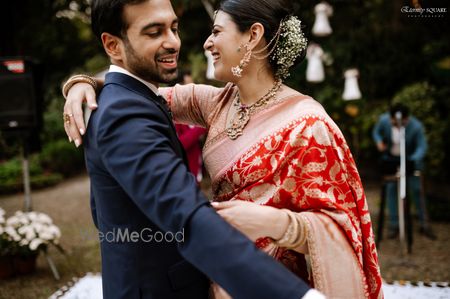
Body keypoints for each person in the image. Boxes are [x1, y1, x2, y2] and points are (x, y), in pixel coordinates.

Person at [63, 0, 383, 298]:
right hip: (216, 275)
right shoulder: (217, 103)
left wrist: (274, 224)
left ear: (253, 35)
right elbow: (136, 88)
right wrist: (83, 83)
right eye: (156, 31)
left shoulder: (308, 124)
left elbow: (342, 226)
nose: (204, 42)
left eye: (216, 32)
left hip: (269, 279)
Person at [372, 103, 435, 239]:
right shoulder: (384, 120)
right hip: (391, 161)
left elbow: (421, 147)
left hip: (410, 162)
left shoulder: (416, 127)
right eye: (393, 121)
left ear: (406, 119)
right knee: (391, 191)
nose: (395, 124)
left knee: (417, 191)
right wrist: (378, 141)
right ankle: (394, 225)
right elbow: (376, 132)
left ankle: (425, 224)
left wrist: (412, 160)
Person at [173, 70, 207, 183]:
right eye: (188, 85)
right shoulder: (174, 112)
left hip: (196, 168)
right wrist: (201, 126)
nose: (193, 88)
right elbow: (180, 143)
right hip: (183, 174)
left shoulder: (192, 109)